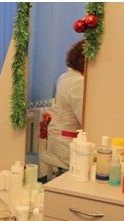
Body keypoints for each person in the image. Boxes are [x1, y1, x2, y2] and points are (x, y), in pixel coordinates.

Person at [42, 40, 85, 171]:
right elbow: (84, 119)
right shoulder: (78, 82)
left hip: (57, 141)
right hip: (67, 146)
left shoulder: (64, 77)